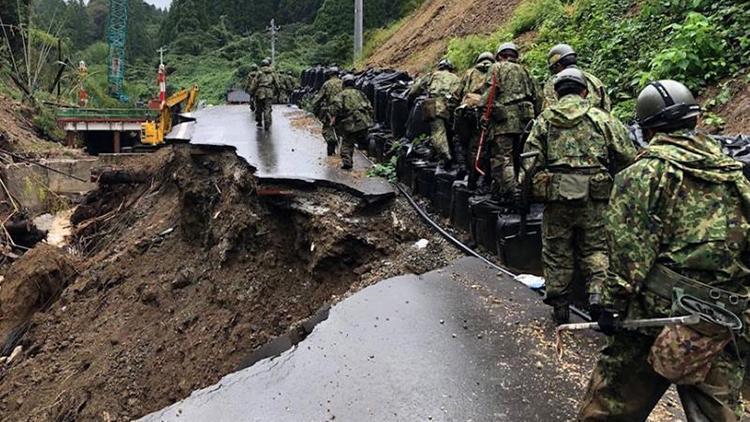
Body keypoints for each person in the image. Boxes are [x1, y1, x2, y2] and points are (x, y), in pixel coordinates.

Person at [579, 80, 750, 421]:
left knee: (609, 408)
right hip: (719, 319)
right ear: (696, 121)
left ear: (648, 129)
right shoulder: (735, 176)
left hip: (654, 316)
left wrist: (610, 306)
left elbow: (628, 256)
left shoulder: (643, 175)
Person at [518, 68, 635, 324]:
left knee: (556, 251)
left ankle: (560, 306)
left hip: (557, 196)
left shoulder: (545, 119)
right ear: (585, 91)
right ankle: (597, 297)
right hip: (596, 197)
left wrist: (525, 193)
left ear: (557, 93)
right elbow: (628, 155)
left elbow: (529, 162)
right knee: (596, 248)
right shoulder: (602, 118)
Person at [483, 42, 541, 198]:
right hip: (525, 120)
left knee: (504, 157)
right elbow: (538, 96)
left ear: (500, 56)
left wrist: (483, 113)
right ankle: (523, 189)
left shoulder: (497, 67)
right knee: (522, 155)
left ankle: (513, 193)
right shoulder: (526, 71)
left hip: (504, 121)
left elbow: (490, 92)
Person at [407, 59, 461, 167]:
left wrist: (410, 97)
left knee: (437, 132)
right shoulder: (456, 78)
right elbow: (459, 93)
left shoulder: (432, 75)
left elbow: (416, 89)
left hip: (435, 107)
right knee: (448, 133)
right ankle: (442, 155)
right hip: (451, 108)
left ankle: (446, 156)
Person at [453, 51, 495, 186]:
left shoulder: (469, 72)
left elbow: (457, 93)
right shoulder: (496, 71)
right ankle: (481, 177)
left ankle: (466, 171)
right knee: (479, 146)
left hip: (466, 111)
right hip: (484, 113)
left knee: (460, 141)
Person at [544, 44, 611, 111]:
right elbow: (606, 108)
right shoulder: (594, 80)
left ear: (558, 65)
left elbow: (548, 111)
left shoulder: (552, 83)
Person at [331, 74, 374, 170]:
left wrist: (334, 120)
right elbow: (370, 108)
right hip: (364, 122)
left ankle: (347, 162)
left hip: (351, 124)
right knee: (364, 140)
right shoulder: (361, 93)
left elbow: (335, 109)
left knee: (347, 142)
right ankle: (372, 157)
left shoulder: (341, 95)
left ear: (344, 84)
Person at [312, 67, 343, 156]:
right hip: (343, 111)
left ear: (330, 74)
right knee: (342, 131)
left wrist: (314, 108)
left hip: (331, 111)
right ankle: (343, 152)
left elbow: (319, 98)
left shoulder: (327, 84)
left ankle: (331, 150)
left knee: (328, 130)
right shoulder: (343, 83)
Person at [249, 58, 280, 129]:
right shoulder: (272, 73)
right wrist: (277, 92)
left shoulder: (259, 73)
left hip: (259, 92)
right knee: (267, 109)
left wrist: (252, 91)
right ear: (269, 65)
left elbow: (255, 83)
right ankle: (267, 123)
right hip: (269, 92)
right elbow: (277, 84)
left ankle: (259, 122)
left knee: (259, 108)